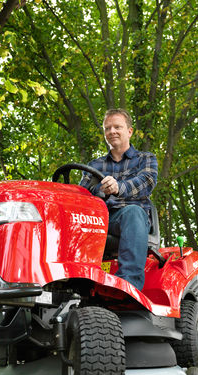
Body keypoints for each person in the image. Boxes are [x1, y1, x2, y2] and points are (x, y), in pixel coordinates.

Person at [80, 109, 158, 291]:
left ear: (129, 131)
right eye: (108, 128)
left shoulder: (145, 159)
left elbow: (146, 182)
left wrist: (118, 188)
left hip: (131, 217)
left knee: (132, 212)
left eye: (117, 127)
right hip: (100, 219)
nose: (112, 131)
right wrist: (101, 191)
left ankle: (128, 285)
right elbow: (83, 194)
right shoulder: (94, 165)